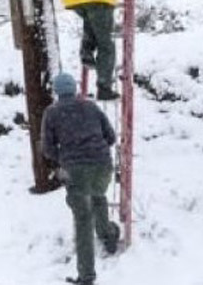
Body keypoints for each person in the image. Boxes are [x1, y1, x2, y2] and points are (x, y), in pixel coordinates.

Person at [42, 72, 121, 285]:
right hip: (103, 165)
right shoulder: (91, 106)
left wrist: (65, 158)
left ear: (56, 91)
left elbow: (47, 149)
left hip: (76, 169)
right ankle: (108, 234)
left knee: (83, 220)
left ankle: (86, 276)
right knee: (98, 195)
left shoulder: (52, 113)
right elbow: (111, 136)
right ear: (74, 89)